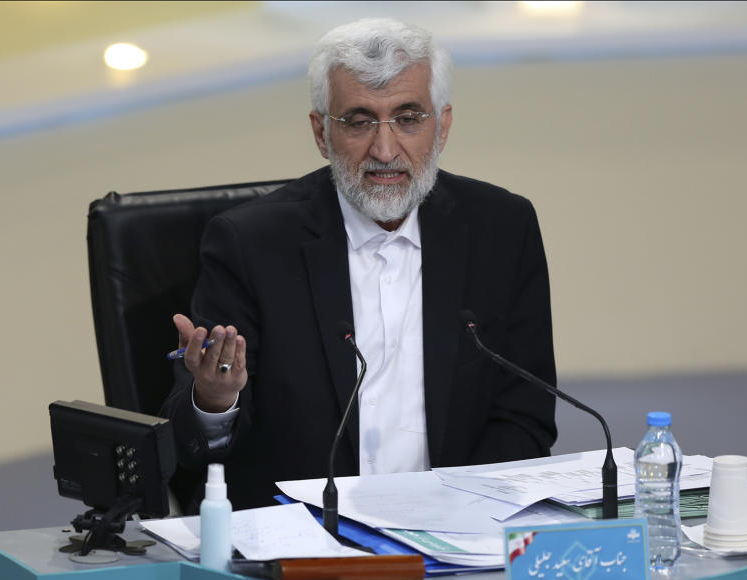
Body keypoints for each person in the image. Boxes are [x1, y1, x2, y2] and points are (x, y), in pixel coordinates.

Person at [162, 17, 557, 512]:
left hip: (458, 532)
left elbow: (526, 415)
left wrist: (462, 512)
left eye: (409, 117)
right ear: (321, 133)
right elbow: (197, 451)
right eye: (359, 120)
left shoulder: (501, 228)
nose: (385, 150)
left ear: (444, 127)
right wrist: (216, 400)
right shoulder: (250, 244)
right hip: (305, 542)